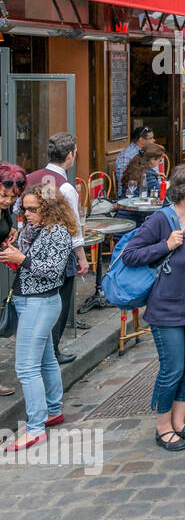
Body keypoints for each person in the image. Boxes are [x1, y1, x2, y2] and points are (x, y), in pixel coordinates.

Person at [117, 162, 185, 452]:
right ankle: (162, 426)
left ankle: (180, 421)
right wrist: (164, 246)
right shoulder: (160, 220)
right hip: (167, 308)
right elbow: (130, 255)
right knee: (172, 367)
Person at [0, 185, 75, 451]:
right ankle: (53, 410)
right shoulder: (31, 231)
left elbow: (53, 272)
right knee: (45, 359)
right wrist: (12, 254)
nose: (26, 214)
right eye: (24, 208)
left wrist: (21, 258)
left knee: (26, 367)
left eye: (33, 208)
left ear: (48, 208)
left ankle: (34, 428)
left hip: (39, 304)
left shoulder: (57, 232)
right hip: (30, 302)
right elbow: (26, 263)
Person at [26, 132, 90, 365]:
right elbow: (73, 228)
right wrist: (82, 258)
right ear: (70, 156)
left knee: (35, 302)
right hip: (59, 254)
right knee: (57, 305)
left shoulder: (30, 177)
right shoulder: (66, 188)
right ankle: (51, 350)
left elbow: (18, 212)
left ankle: (37, 348)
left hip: (30, 251)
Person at [0, 162, 25, 396]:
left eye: (12, 197)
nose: (8, 201)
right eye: (4, 196)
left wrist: (10, 234)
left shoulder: (4, 209)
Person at [116, 143, 165, 226]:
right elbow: (159, 196)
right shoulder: (148, 175)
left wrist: (155, 176)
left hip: (123, 214)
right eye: (159, 160)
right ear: (152, 160)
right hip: (139, 219)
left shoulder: (132, 169)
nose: (159, 163)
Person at [114, 125, 155, 192]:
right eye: (151, 138)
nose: (154, 140)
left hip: (147, 189)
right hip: (130, 193)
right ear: (141, 140)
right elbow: (124, 180)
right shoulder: (126, 155)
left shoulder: (147, 151)